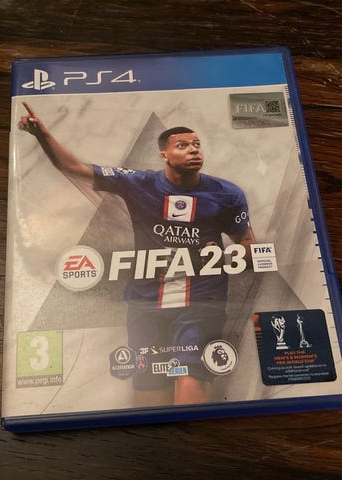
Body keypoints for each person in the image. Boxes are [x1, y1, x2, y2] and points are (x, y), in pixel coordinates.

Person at [18, 102, 256, 407]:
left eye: (197, 144)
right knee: (149, 395)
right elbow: (74, 168)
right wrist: (41, 135)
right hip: (145, 304)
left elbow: (250, 247)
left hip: (201, 303)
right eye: (183, 145)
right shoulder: (138, 182)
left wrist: (225, 256)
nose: (194, 150)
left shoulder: (227, 194)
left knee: (192, 385)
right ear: (164, 155)